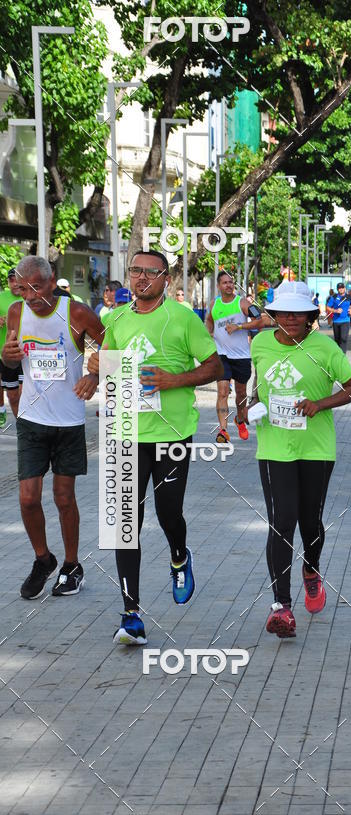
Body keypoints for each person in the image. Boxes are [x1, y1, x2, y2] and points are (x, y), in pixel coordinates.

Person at [88, 250, 222, 645]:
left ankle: (179, 556)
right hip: (125, 431)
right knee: (124, 523)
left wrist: (172, 380)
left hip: (172, 433)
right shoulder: (116, 319)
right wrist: (94, 371)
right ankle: (131, 614)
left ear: (166, 278)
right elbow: (107, 364)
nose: (141, 277)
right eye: (135, 270)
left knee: (168, 513)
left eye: (150, 272)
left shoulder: (183, 318)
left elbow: (214, 367)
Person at [247, 281, 351, 638]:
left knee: (310, 523)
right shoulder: (260, 343)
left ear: (310, 316)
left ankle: (311, 569)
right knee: (282, 522)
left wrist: (319, 404)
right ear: (275, 314)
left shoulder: (325, 347)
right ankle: (281, 606)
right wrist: (249, 405)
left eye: (299, 313)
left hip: (316, 449)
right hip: (274, 448)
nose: (291, 318)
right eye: (284, 313)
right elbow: (255, 385)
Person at [1, 256, 103, 598]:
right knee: (28, 498)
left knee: (63, 497)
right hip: (32, 419)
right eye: (23, 288)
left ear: (52, 281)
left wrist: (95, 375)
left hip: (69, 421)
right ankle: (43, 559)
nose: (30, 295)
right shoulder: (17, 312)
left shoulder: (77, 313)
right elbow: (10, 362)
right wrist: (7, 357)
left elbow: (115, 346)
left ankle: (71, 566)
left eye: (37, 287)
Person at [205, 271, 265, 443]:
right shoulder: (214, 304)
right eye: (225, 283)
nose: (229, 285)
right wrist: (209, 333)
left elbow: (259, 319)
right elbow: (209, 320)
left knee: (241, 393)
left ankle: (239, 419)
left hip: (241, 356)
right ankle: (223, 430)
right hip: (221, 355)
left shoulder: (242, 303)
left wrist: (239, 326)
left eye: (231, 282)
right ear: (219, 286)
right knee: (223, 392)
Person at [0, 267, 23, 423]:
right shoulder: (1, 297)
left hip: (27, 354)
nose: (14, 283)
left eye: (17, 280)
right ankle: (22, 426)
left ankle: (30, 424)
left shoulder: (30, 297)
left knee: (25, 392)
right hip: (6, 355)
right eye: (11, 280)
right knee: (13, 395)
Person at [326, 283, 351, 353]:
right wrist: (335, 311)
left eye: (342, 288)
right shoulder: (334, 297)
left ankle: (343, 354)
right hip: (336, 321)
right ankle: (338, 353)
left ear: (344, 288)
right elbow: (328, 307)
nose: (341, 289)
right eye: (339, 288)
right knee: (337, 340)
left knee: (343, 338)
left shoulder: (349, 296)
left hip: (346, 320)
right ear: (337, 289)